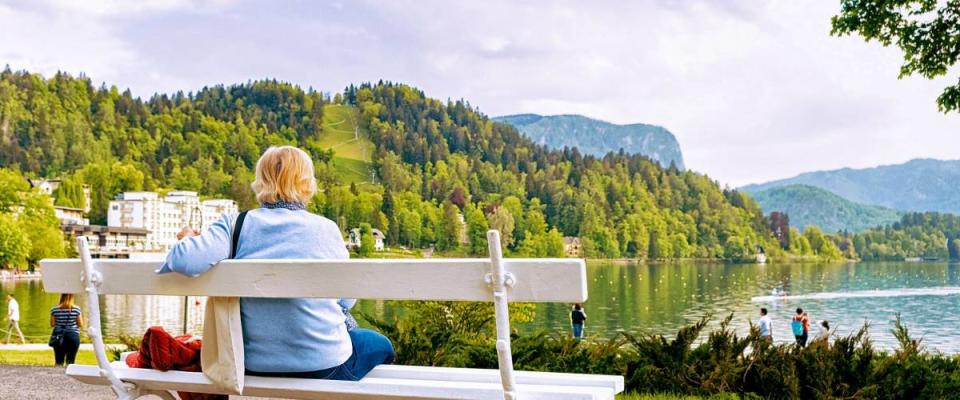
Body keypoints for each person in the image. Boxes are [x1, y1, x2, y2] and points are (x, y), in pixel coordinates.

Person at [159, 146, 394, 381]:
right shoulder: (327, 230)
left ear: (261, 180)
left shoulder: (235, 226)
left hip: (253, 365)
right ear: (307, 182)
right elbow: (347, 301)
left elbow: (184, 261)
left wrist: (190, 239)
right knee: (380, 344)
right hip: (325, 366)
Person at [50, 294, 83, 366]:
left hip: (59, 336)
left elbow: (52, 324)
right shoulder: (76, 309)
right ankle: (69, 375)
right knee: (71, 361)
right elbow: (80, 324)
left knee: (59, 361)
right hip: (73, 335)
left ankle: (57, 376)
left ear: (61, 297)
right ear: (72, 298)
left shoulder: (54, 309)